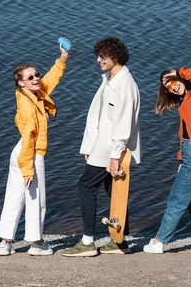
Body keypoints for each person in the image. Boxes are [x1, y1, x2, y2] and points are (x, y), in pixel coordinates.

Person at [61, 37, 140, 257]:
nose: (98, 60)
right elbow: (98, 116)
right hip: (102, 147)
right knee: (115, 192)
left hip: (110, 150)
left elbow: (123, 124)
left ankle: (87, 242)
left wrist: (115, 157)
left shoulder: (125, 84)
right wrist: (89, 144)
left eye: (103, 56)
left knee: (86, 186)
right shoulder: (110, 79)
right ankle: (120, 241)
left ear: (115, 56)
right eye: (98, 56)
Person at [0, 43, 69, 256]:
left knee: (14, 196)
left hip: (19, 153)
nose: (36, 78)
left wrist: (62, 59)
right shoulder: (28, 106)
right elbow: (29, 137)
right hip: (30, 154)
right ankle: (36, 243)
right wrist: (28, 169)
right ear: (21, 83)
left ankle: (5, 243)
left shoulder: (32, 94)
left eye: (36, 74)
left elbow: (48, 82)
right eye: (30, 78)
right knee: (36, 198)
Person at [143, 67, 191, 254]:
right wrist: (182, 159)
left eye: (174, 82)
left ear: (181, 79)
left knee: (176, 200)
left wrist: (178, 71)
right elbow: (186, 134)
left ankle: (159, 242)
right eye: (168, 87)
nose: (173, 88)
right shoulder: (185, 103)